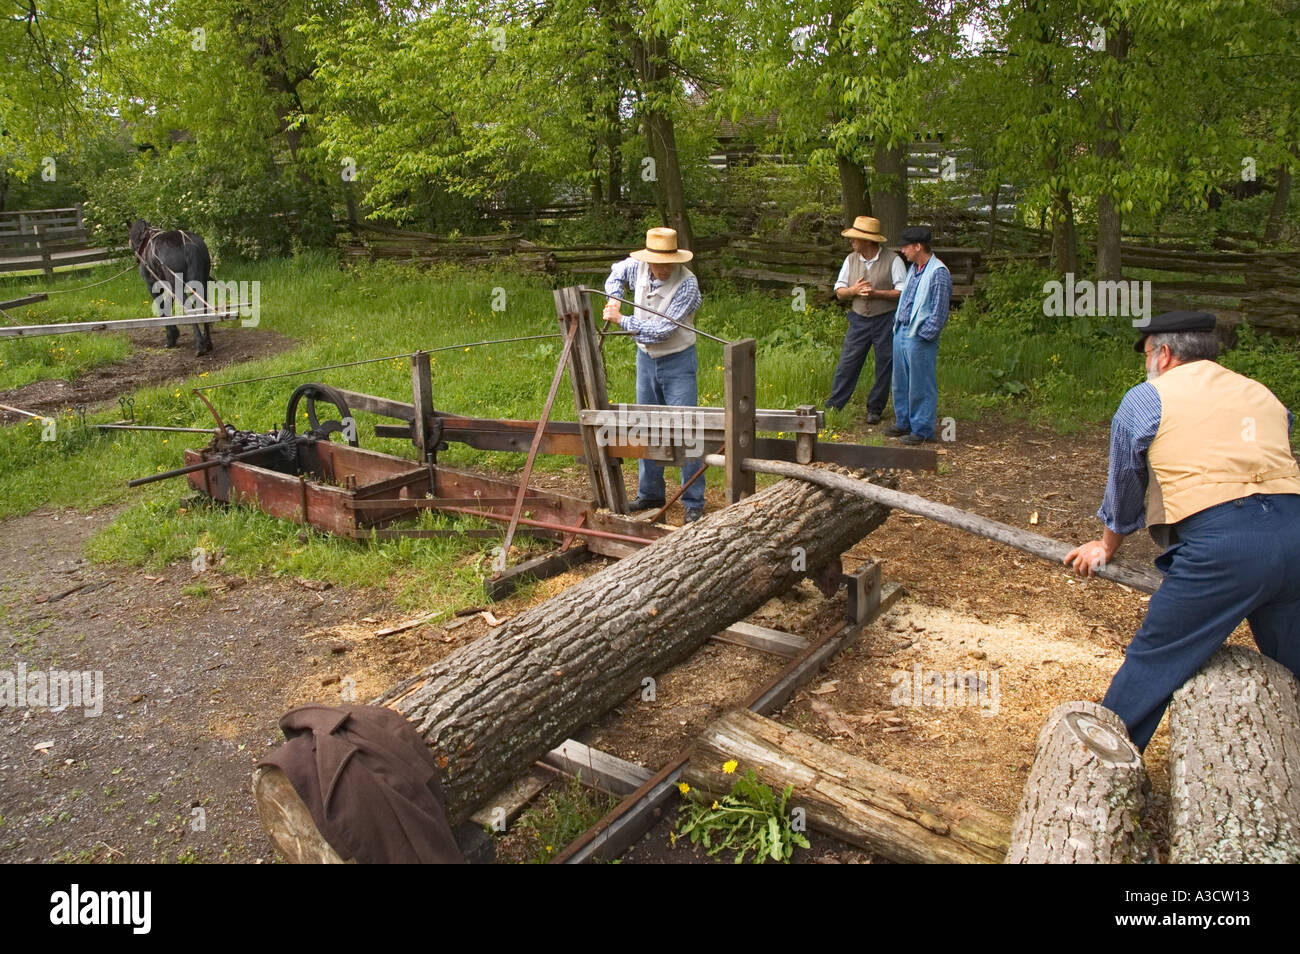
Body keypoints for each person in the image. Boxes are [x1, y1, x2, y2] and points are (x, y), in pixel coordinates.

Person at [1064, 310, 1300, 751]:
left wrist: (1106, 543)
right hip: (1295, 531)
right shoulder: (1261, 394)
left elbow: (1125, 483)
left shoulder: (1147, 398)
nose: (1146, 365)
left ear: (1164, 353)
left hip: (1225, 546)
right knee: (1294, 660)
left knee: (1155, 660)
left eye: (1147, 354)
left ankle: (1098, 766)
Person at [602, 227, 706, 522]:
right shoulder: (638, 266)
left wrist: (620, 319)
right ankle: (650, 494)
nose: (660, 269)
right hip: (645, 359)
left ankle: (694, 501)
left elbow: (662, 331)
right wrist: (615, 298)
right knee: (646, 424)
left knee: (687, 429)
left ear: (676, 260)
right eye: (656, 263)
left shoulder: (688, 284)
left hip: (678, 360)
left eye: (666, 264)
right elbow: (615, 274)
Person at [826, 216, 906, 425]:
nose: (852, 241)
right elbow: (839, 291)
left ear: (869, 241)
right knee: (848, 363)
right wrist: (853, 290)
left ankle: (875, 409)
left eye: (856, 238)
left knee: (885, 365)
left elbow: (903, 292)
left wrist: (877, 293)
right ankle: (834, 406)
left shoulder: (893, 260)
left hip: (885, 320)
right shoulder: (850, 259)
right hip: (858, 320)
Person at [885, 226, 951, 444]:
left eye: (906, 246)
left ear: (918, 246)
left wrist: (924, 334)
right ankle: (904, 422)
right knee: (901, 381)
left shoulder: (938, 272)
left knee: (920, 383)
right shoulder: (914, 268)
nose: (903, 250)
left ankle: (921, 430)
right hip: (902, 330)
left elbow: (939, 312)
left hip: (919, 335)